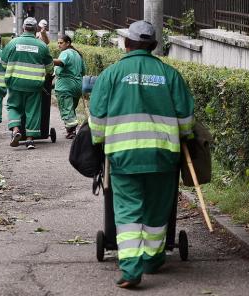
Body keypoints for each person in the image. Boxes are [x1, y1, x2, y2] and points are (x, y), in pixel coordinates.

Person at [88, 20, 195, 288]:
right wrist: (182, 136)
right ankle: (151, 260)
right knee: (158, 213)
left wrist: (100, 142)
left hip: (124, 158)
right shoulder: (170, 75)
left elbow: (97, 120)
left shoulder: (111, 74)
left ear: (126, 44)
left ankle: (132, 271)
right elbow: (186, 121)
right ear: (155, 46)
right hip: (163, 157)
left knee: (127, 213)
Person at [2, 17, 54, 149]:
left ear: (23, 28)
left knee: (13, 107)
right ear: (36, 29)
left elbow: (3, 64)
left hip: (15, 83)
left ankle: (16, 131)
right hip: (34, 85)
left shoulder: (13, 43)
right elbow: (50, 68)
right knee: (32, 110)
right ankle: (30, 140)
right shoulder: (42, 46)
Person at [53, 34, 85, 139]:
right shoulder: (78, 55)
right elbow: (83, 71)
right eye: (58, 43)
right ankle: (72, 130)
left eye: (61, 43)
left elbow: (61, 63)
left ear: (68, 43)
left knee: (66, 109)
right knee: (71, 109)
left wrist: (48, 60)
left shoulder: (65, 53)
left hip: (65, 86)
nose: (59, 45)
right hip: (78, 86)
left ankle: (72, 131)